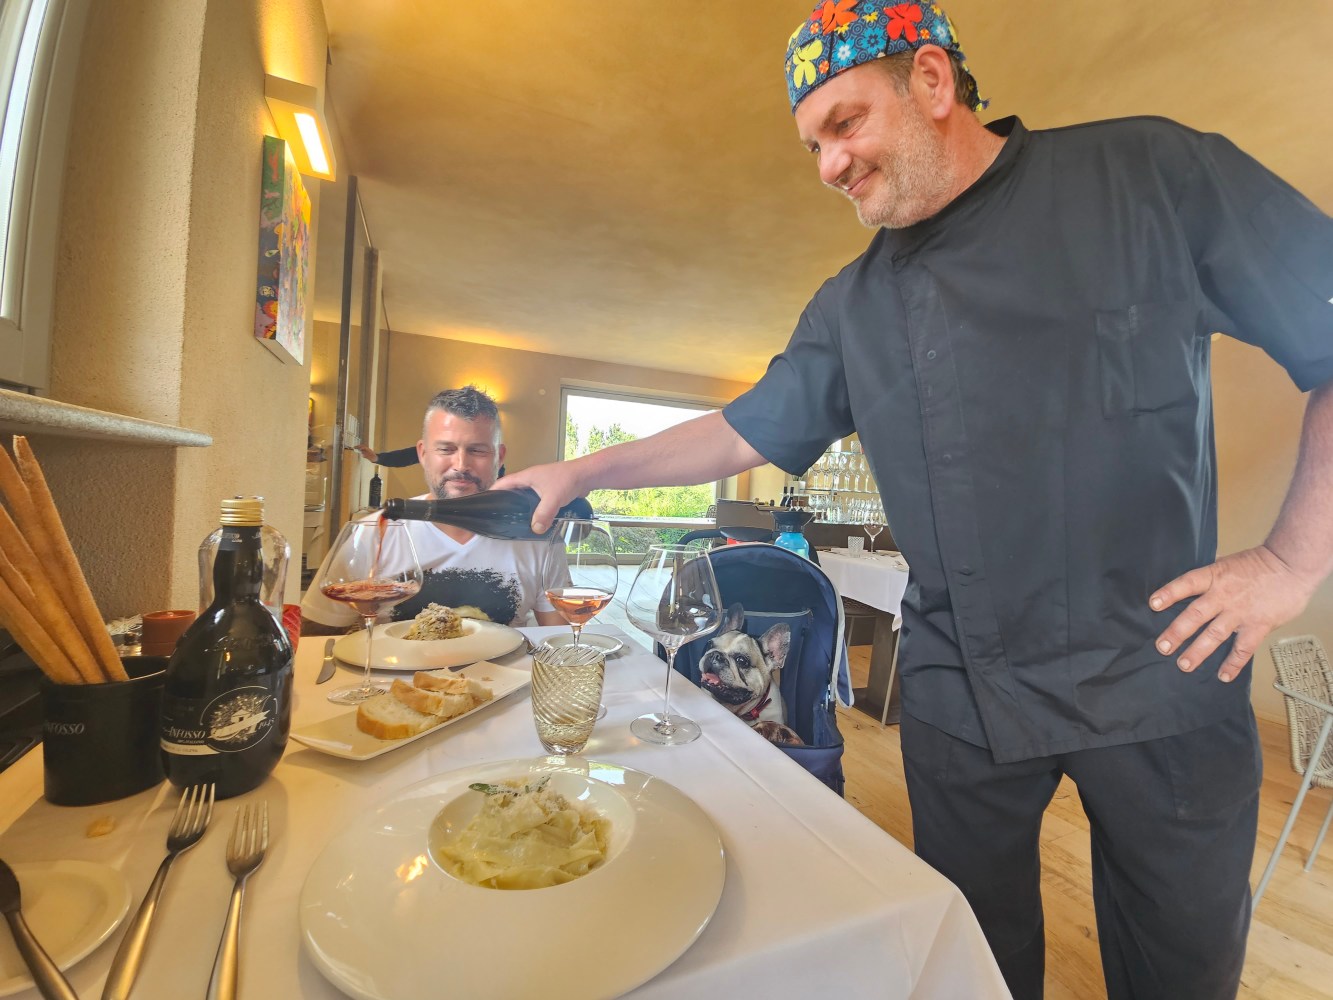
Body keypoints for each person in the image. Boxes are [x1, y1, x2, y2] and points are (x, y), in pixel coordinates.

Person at [498, 4, 1333, 999]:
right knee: (967, 963)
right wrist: (580, 471)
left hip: (1162, 668)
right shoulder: (850, 307)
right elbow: (737, 431)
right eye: (811, 144)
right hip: (961, 685)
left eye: (844, 125)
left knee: (1182, 976)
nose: (825, 165)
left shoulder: (1147, 175)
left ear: (931, 82)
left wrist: (1290, 563)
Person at [304, 386, 568, 632]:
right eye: (446, 449)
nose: (461, 464)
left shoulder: (537, 534)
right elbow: (317, 637)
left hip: (505, 680)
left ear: (499, 456)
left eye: (477, 450)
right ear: (422, 453)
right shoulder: (370, 534)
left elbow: (561, 639)